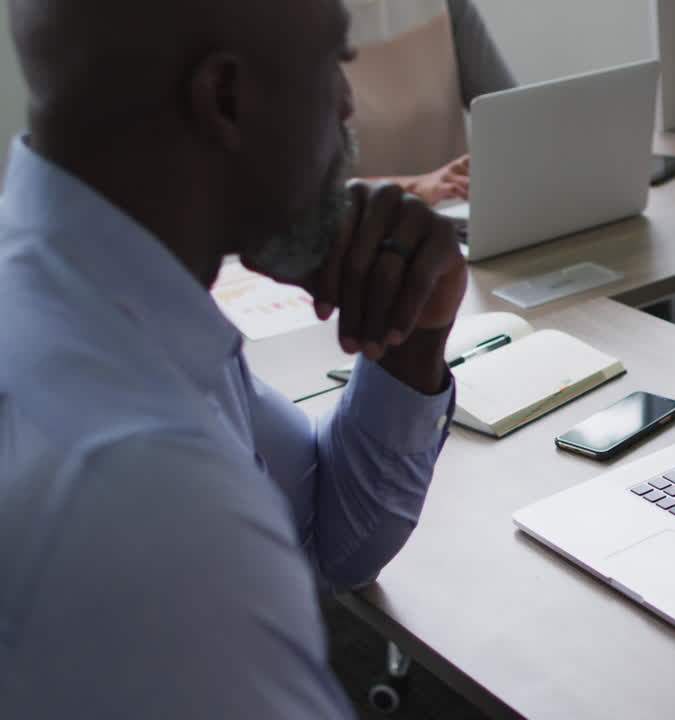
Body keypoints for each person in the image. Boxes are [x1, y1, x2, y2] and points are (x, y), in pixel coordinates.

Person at [0, 0, 466, 716]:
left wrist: (414, 330)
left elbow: (324, 542)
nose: (348, 107)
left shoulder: (93, 291)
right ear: (225, 99)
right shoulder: (151, 503)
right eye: (336, 64)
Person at [344, 0, 515, 205]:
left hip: (456, 218)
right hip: (356, 232)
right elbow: (304, 198)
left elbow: (513, 122)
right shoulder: (302, 22)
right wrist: (416, 186)